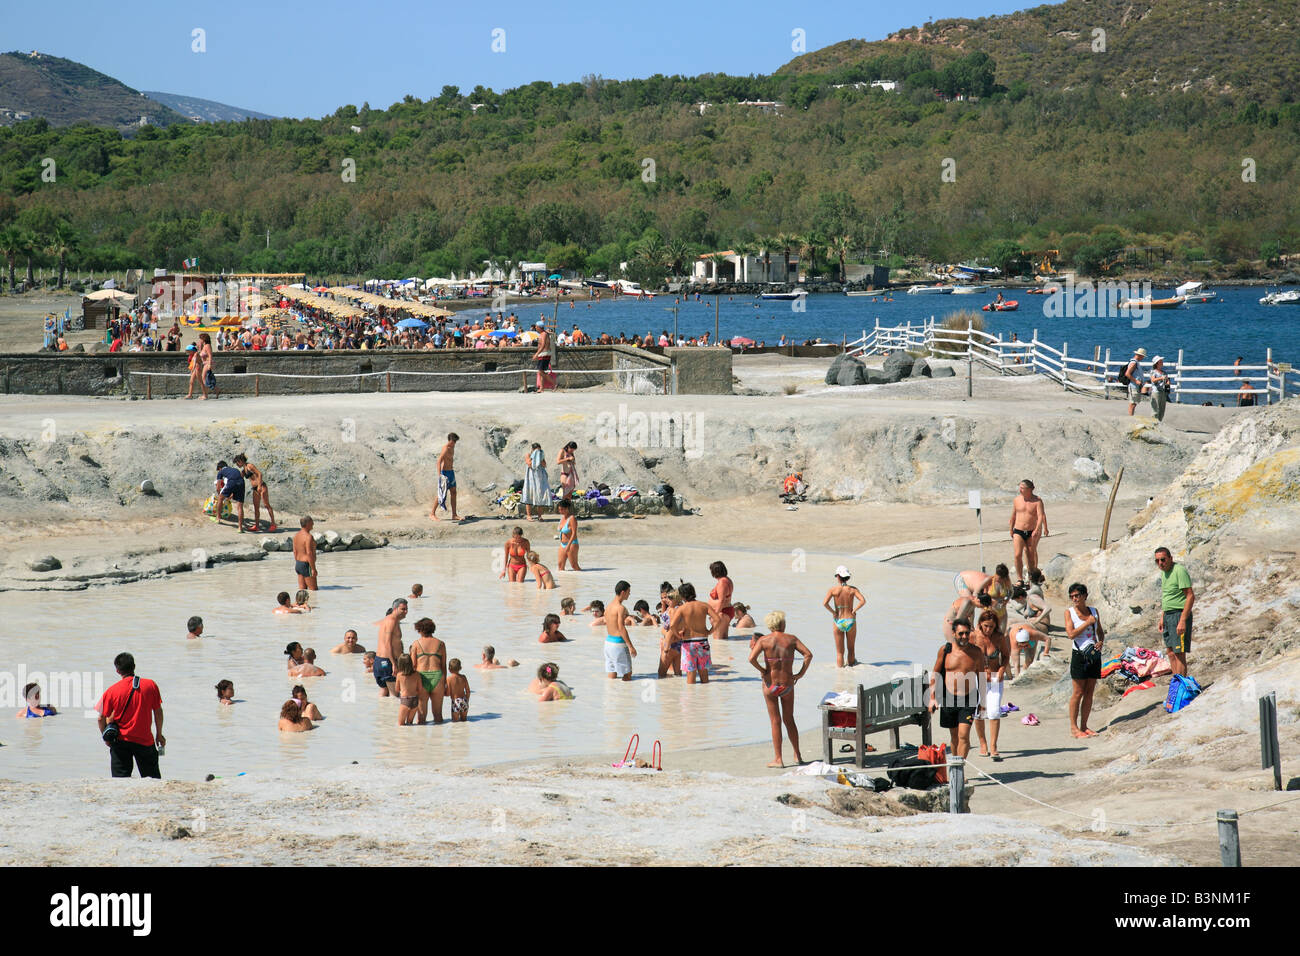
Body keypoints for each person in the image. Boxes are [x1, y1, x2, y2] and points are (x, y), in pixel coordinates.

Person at [748, 611, 813, 768]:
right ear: (782, 624)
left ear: (770, 625)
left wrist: (763, 670)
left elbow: (751, 658)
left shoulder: (764, 640)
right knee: (789, 720)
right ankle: (797, 755)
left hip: (770, 686)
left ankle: (778, 759)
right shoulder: (791, 639)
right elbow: (808, 655)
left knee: (775, 721)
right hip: (787, 685)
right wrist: (800, 674)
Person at [94, 652, 165, 778]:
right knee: (152, 780)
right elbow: (158, 712)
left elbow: (100, 718)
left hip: (120, 741)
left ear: (117, 670)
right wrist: (159, 734)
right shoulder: (150, 685)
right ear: (134, 666)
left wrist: (106, 737)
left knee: (120, 781)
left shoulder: (112, 690)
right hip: (145, 740)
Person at [927, 621, 984, 759]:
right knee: (954, 737)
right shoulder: (945, 650)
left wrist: (983, 702)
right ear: (953, 634)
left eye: (967, 633)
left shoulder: (976, 652)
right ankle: (955, 766)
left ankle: (960, 769)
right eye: (961, 633)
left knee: (963, 735)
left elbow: (981, 677)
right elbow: (936, 673)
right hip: (949, 697)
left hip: (968, 698)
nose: (964, 636)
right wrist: (932, 698)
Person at [1064, 582, 1105, 739]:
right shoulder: (1069, 613)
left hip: (1093, 654)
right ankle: (1074, 728)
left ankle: (1084, 726)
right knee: (1078, 692)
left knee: (1089, 692)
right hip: (1079, 655)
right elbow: (1071, 634)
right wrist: (1087, 623)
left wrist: (1101, 641)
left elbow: (1100, 632)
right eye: (1072, 596)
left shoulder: (1094, 611)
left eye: (1077, 595)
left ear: (1084, 596)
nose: (1075, 599)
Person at [971, 611, 1011, 760]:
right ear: (980, 623)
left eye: (992, 627)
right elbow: (967, 658)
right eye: (986, 626)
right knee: (979, 713)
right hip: (978, 678)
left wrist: (1002, 670)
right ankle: (983, 743)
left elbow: (1006, 656)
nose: (988, 629)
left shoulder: (999, 638)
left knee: (994, 712)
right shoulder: (974, 636)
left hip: (995, 678)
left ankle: (994, 746)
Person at [1154, 547, 1194, 677]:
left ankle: (1182, 686)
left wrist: (1182, 620)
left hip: (1178, 614)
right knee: (1170, 652)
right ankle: (1176, 684)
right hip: (1168, 615)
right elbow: (1168, 596)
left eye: (1163, 560)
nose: (1160, 563)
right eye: (1157, 561)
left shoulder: (1179, 571)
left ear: (1170, 558)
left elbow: (1190, 596)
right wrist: (1163, 617)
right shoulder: (1164, 573)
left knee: (1179, 653)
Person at [670, 582, 718, 685]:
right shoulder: (704, 605)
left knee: (690, 677)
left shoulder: (682, 608)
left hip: (688, 643)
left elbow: (672, 625)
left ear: (682, 596)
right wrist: (710, 631)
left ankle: (692, 700)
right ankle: (704, 699)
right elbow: (717, 619)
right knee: (704, 675)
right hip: (703, 642)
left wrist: (678, 635)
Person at [823, 565, 865, 667]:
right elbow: (863, 601)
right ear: (847, 577)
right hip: (850, 620)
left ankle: (840, 675)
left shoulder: (833, 590)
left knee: (839, 652)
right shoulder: (853, 590)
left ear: (838, 576)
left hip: (838, 621)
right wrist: (854, 610)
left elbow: (825, 603)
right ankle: (851, 668)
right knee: (851, 649)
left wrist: (833, 612)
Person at [1009, 480, 1048, 585]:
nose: (1020, 490)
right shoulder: (1017, 500)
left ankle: (1032, 576)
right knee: (1017, 554)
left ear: (1029, 489)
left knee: (1031, 555)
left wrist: (1038, 528)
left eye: (1022, 488)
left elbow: (1040, 516)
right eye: (1020, 487)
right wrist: (1010, 528)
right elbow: (1013, 515)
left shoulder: (1037, 501)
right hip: (1018, 530)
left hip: (1031, 531)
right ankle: (1019, 579)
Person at [409, 617, 446, 724]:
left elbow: (413, 666)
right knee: (438, 715)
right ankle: (439, 739)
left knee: (421, 716)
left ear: (420, 629)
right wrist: (445, 682)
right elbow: (443, 666)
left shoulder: (416, 644)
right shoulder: (441, 644)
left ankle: (421, 739)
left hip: (421, 678)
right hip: (438, 677)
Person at [233, 453, 276, 532]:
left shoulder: (250, 466)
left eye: (237, 462)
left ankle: (273, 524)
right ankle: (257, 525)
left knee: (266, 505)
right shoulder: (244, 470)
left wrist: (259, 485)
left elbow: (259, 474)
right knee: (256, 507)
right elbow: (239, 478)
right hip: (255, 489)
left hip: (262, 486)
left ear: (241, 461)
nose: (237, 464)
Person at [604, 580, 638, 680]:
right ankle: (625, 695)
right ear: (623, 592)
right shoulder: (620, 608)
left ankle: (612, 694)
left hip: (608, 643)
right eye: (628, 592)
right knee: (627, 674)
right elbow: (621, 627)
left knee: (612, 674)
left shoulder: (608, 607)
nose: (629, 594)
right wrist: (631, 646)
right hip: (618, 644)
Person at [375, 598, 408, 698]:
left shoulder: (388, 620)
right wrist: (394, 663)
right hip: (387, 661)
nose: (406, 612)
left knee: (384, 693)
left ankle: (382, 713)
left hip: (380, 661)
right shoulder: (392, 621)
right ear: (395, 609)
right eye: (403, 609)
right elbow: (387, 643)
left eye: (406, 609)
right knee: (395, 696)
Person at [431, 433, 461, 521]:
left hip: (451, 472)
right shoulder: (446, 448)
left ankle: (454, 515)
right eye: (453, 441)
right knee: (441, 494)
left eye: (455, 441)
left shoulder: (453, 447)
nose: (454, 443)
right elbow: (439, 461)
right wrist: (439, 475)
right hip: (445, 473)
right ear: (450, 440)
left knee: (454, 492)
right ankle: (432, 514)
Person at [213, 460, 247, 533]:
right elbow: (237, 481)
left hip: (232, 482)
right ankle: (240, 528)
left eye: (218, 469)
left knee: (220, 499)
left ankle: (218, 518)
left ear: (220, 468)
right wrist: (231, 494)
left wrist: (220, 495)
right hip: (241, 483)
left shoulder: (221, 471)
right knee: (240, 506)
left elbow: (218, 487)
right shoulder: (235, 469)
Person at [708, 561, 735, 641]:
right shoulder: (727, 580)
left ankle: (719, 654)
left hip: (721, 612)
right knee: (723, 641)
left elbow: (721, 601)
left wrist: (714, 615)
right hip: (725, 612)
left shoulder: (722, 582)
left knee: (717, 641)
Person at [523, 443, 550, 520]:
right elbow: (530, 464)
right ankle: (528, 516)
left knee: (540, 495)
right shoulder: (528, 455)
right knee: (529, 495)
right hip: (530, 478)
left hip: (539, 478)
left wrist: (540, 458)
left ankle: (539, 516)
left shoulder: (541, 456)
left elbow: (544, 465)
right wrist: (534, 457)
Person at [395, 654, 421, 726]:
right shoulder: (417, 674)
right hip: (415, 700)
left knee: (401, 725)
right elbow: (420, 689)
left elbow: (397, 689)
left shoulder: (399, 675)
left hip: (405, 700)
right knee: (410, 724)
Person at [293, 515, 318, 591]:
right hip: (307, 565)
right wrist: (313, 569)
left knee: (302, 592)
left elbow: (294, 551)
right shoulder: (308, 537)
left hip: (298, 564)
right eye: (312, 522)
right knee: (313, 591)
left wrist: (299, 563)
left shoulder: (296, 535)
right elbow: (309, 553)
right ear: (307, 523)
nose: (313, 524)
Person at [988, 563, 1013, 632]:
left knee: (1001, 633)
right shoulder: (990, 580)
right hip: (989, 611)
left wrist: (1006, 600)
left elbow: (1010, 592)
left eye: (999, 578)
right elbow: (980, 592)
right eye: (997, 576)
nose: (997, 578)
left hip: (1001, 611)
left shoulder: (1006, 581)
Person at [556, 499, 581, 570]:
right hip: (562, 544)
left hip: (571, 544)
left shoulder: (572, 518)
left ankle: (580, 578)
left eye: (562, 509)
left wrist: (568, 545)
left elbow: (574, 533)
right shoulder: (562, 518)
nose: (560, 511)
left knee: (574, 566)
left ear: (567, 509)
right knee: (560, 566)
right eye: (559, 510)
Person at [533, 321, 556, 390]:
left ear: (539, 327)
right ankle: (542, 388)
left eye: (536, 327)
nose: (535, 328)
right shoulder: (543, 333)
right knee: (542, 371)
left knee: (540, 371)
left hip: (544, 354)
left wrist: (536, 354)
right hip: (543, 354)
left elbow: (542, 345)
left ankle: (554, 383)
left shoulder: (543, 334)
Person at [1148, 356, 1171, 422]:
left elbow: (1167, 381)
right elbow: (1153, 380)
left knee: (1162, 409)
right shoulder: (1153, 371)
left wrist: (1168, 385)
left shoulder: (1164, 372)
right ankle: (1153, 423)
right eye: (1160, 361)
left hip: (1163, 392)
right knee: (1155, 409)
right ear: (1157, 363)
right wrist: (1161, 378)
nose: (1162, 362)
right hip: (1156, 392)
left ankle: (1159, 423)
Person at [198, 331, 219, 399]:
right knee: (206, 379)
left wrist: (209, 364)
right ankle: (215, 390)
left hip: (208, 363)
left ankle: (206, 394)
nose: (200, 340)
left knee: (204, 379)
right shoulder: (204, 346)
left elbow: (210, 355)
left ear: (204, 339)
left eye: (201, 338)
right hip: (205, 364)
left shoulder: (207, 346)